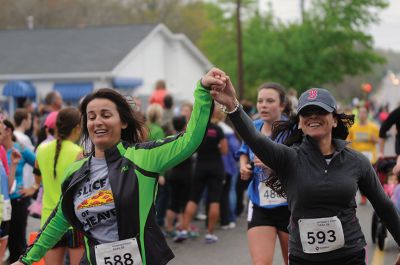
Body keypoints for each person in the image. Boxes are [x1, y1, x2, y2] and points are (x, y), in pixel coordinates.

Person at [12, 68, 224, 265]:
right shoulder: (74, 171)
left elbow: (190, 140)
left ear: (123, 122)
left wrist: (202, 91)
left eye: (106, 115)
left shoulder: (143, 157)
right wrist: (26, 260)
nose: (97, 122)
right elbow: (58, 221)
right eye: (91, 117)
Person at [210, 78, 400, 265]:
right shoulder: (288, 158)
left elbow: (385, 207)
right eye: (307, 112)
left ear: (334, 120)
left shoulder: (356, 161)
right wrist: (233, 106)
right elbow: (254, 138)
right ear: (300, 122)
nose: (313, 116)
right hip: (304, 259)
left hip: (350, 257)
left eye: (320, 111)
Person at [236, 82, 291, 265]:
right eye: (260, 101)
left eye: (270, 101)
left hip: (290, 206)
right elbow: (244, 150)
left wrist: (274, 166)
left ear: (282, 105)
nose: (263, 105)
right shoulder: (254, 126)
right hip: (260, 204)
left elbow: (302, 164)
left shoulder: (293, 131)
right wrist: (244, 165)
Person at [34, 107, 84, 265]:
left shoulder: (41, 150)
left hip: (49, 222)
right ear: (77, 127)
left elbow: (37, 181)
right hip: (74, 221)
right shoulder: (80, 153)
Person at [175, 105, 228, 244]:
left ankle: (184, 230)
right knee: (214, 200)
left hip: (199, 167)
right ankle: (210, 234)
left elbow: (190, 147)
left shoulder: (197, 129)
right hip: (216, 167)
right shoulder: (217, 129)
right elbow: (224, 151)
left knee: (193, 199)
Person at [1, 120, 36, 263]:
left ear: (8, 131)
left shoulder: (20, 149)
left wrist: (32, 188)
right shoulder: (1, 151)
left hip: (19, 199)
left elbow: (41, 166)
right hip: (4, 202)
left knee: (18, 241)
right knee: (7, 242)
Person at [347, 106, 379, 205]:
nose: (362, 114)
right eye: (360, 112)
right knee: (359, 178)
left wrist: (373, 139)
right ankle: (363, 196)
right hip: (357, 156)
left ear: (367, 114)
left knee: (370, 179)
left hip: (370, 156)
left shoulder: (373, 127)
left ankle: (374, 196)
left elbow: (377, 140)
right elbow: (348, 140)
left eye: (364, 112)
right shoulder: (353, 128)